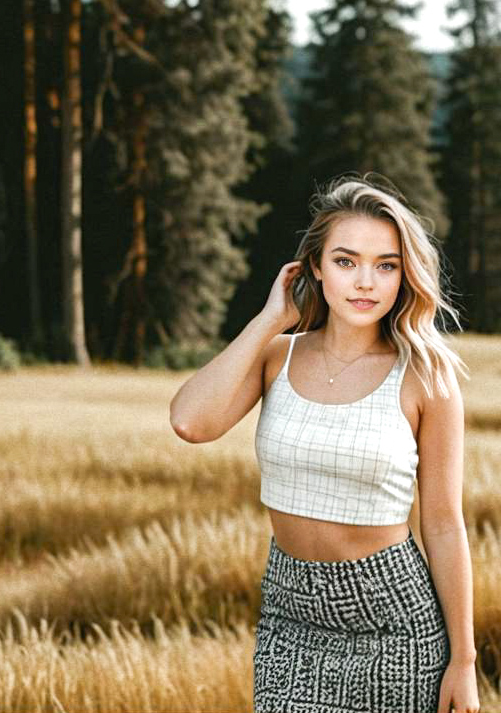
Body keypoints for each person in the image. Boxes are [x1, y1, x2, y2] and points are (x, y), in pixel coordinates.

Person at [170, 172, 480, 713]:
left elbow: (444, 523)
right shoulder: (277, 357)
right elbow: (191, 423)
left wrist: (464, 661)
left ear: (405, 275)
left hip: (393, 623)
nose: (365, 282)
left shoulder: (426, 375)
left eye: (386, 265)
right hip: (289, 616)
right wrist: (270, 319)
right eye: (345, 261)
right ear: (313, 267)